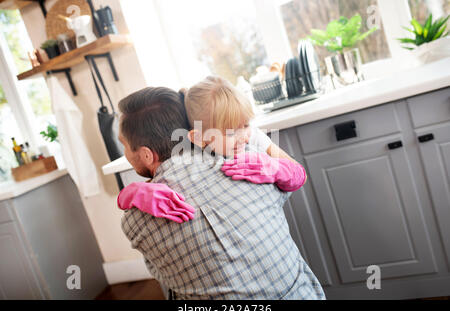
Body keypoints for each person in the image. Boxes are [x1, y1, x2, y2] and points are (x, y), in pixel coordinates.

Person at [118, 86, 325, 299]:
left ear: (146, 155)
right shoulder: (248, 163)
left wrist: (128, 196)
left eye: (123, 144)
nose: (243, 135)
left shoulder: (134, 221)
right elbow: (294, 177)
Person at [118, 76, 307, 221]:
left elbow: (299, 174)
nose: (244, 136)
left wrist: (277, 168)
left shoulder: (250, 137)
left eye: (246, 124)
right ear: (199, 138)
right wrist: (132, 194)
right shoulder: (186, 150)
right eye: (231, 132)